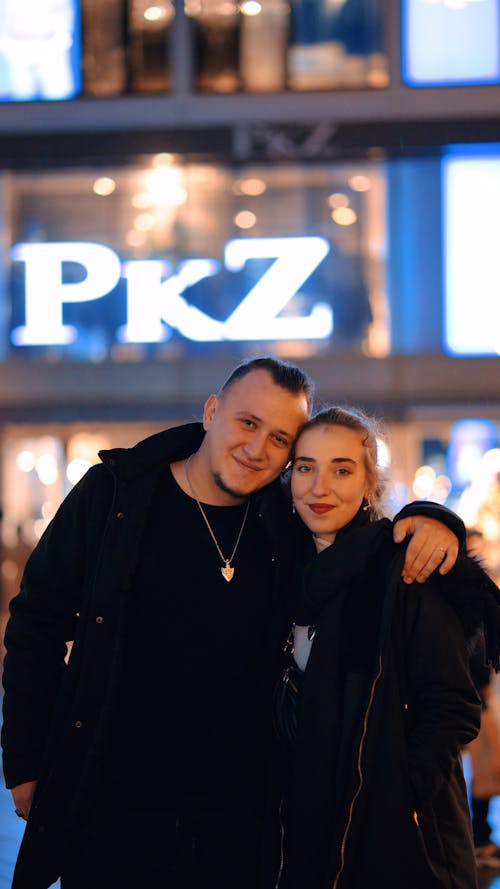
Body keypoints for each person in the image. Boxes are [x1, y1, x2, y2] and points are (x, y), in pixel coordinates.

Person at [1, 357, 464, 889]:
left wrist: (433, 519)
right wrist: (26, 762)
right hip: (115, 809)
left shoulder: (283, 521)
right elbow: (36, 622)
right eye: (248, 423)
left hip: (242, 826)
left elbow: (359, 533)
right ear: (211, 411)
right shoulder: (115, 497)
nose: (257, 448)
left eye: (279, 439)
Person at [272, 406, 500, 889]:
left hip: (398, 840)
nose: (320, 487)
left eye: (342, 469)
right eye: (306, 467)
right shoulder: (280, 573)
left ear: (369, 482)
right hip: (306, 828)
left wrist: (400, 796)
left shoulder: (405, 571)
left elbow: (453, 706)